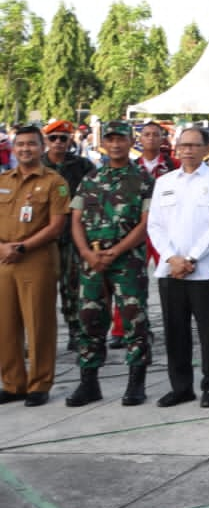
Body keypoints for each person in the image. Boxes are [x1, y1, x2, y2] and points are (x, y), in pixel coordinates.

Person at [67, 121, 153, 407]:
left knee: (134, 319)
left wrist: (116, 250)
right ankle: (88, 383)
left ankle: (135, 384)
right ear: (104, 142)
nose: (115, 144)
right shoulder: (91, 178)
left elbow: (145, 223)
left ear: (131, 142)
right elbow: (76, 219)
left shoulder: (142, 180)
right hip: (92, 262)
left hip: (127, 262)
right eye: (111, 139)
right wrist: (85, 253)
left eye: (121, 139)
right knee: (89, 320)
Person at [148, 125, 209, 408]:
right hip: (170, 270)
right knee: (175, 332)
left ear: (207, 149)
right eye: (183, 145)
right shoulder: (165, 182)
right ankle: (181, 387)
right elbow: (155, 226)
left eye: (194, 145)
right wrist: (173, 258)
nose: (187, 150)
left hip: (204, 271)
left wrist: (192, 258)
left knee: (208, 332)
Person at [0, 125, 71, 406]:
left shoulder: (54, 182)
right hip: (4, 259)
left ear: (42, 148)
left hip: (36, 259)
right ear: (13, 148)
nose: (25, 149)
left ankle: (39, 383)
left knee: (38, 323)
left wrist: (22, 247)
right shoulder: (3, 180)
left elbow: (56, 227)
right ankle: (13, 383)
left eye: (31, 144)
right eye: (20, 145)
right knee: (5, 325)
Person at [42, 119, 95, 362]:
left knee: (72, 286)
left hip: (73, 235)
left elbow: (92, 196)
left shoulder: (82, 165)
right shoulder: (38, 164)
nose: (58, 143)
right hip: (43, 237)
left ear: (70, 140)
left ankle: (75, 330)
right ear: (46, 140)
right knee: (42, 288)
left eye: (63, 138)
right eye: (53, 138)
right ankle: (40, 336)